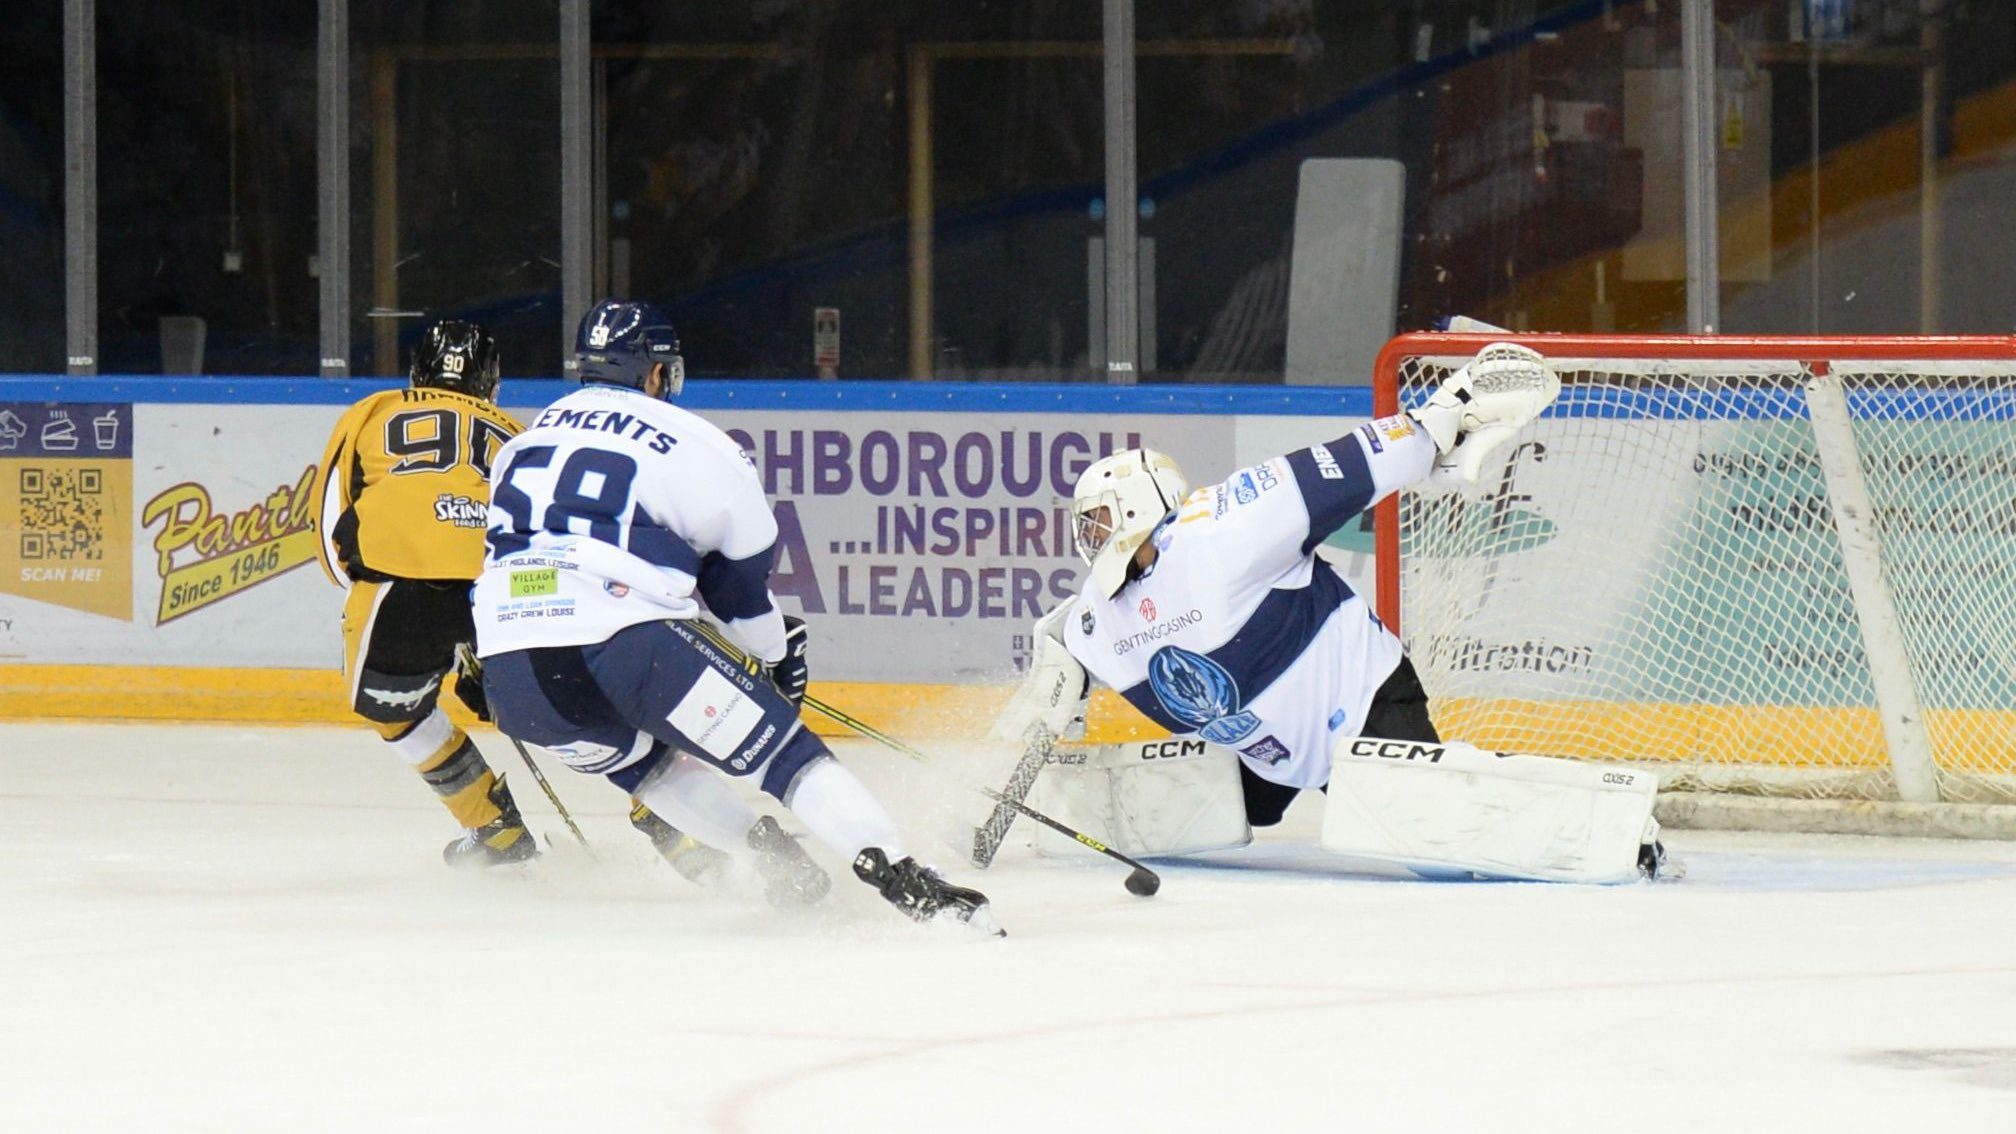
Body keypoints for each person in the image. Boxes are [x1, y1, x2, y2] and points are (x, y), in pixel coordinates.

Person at [996, 342, 1670, 883]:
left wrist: (1440, 421)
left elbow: (1345, 466)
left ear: (1146, 505)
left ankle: (1614, 821)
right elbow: (1064, 643)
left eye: (1102, 521)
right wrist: (1029, 730)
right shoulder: (1096, 618)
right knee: (1219, 799)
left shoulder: (1224, 528)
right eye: (1085, 528)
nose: (1091, 540)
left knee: (1432, 841)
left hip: (1361, 698)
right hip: (1270, 755)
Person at [473, 299, 1000, 931]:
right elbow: (739, 593)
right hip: (623, 641)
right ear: (656, 374)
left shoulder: (524, 444)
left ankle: (770, 858)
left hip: (511, 672)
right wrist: (776, 659)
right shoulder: (699, 444)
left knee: (649, 769)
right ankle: (907, 881)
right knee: (786, 757)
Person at [313, 319, 730, 881]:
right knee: (559, 708)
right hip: (505, 586)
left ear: (417, 371)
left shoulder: (373, 410)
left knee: (399, 712)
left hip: (397, 579)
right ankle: (671, 820)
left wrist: (372, 588)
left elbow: (327, 526)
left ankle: (493, 828)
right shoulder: (515, 432)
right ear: (491, 382)